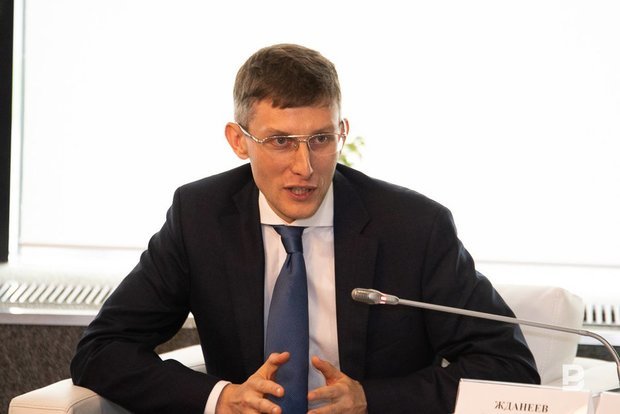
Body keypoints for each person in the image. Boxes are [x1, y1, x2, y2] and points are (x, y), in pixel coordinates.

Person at [71, 43, 540, 414]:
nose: (305, 166)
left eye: (320, 139)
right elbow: (102, 349)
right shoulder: (200, 217)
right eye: (280, 141)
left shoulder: (413, 227)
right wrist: (221, 399)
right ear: (239, 141)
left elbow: (509, 368)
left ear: (342, 132)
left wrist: (372, 400)